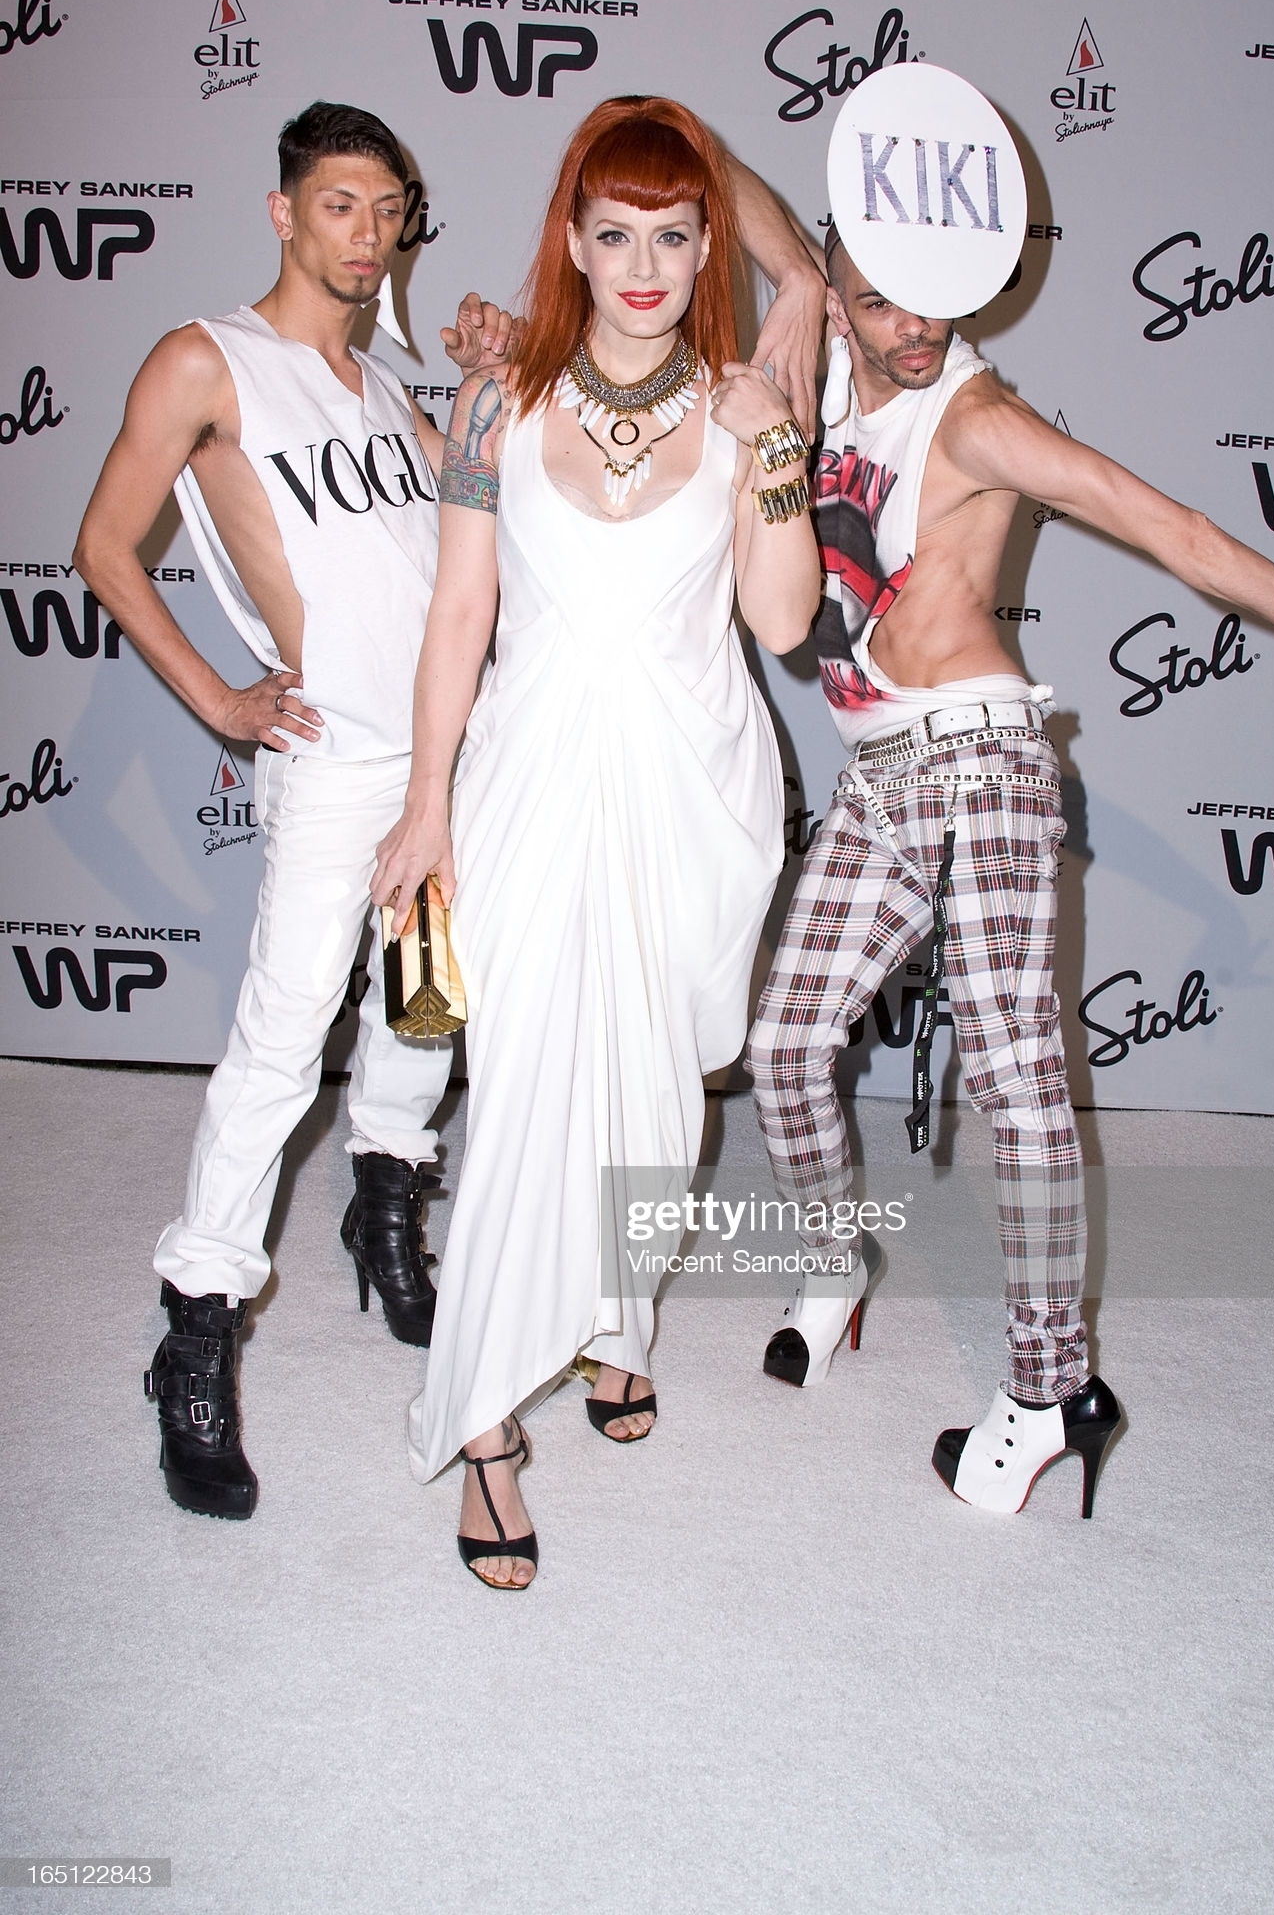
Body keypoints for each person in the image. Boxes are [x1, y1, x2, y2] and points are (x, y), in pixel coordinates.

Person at [73, 96, 824, 1523]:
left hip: (534, 754)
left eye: (387, 210)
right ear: (284, 210)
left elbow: (547, 534)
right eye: (338, 205)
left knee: (438, 1040)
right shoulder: (210, 360)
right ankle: (203, 1325)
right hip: (392, 761)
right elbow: (116, 546)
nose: (367, 234)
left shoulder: (389, 386)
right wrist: (227, 704)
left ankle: (407, 1231)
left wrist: (765, 406)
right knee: (294, 1042)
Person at [745, 221, 1274, 1518]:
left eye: (932, 301)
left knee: (1016, 1083)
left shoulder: (976, 417)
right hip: (880, 778)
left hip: (980, 761)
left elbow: (1169, 526)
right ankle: (833, 1266)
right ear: (838, 291)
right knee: (782, 1049)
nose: (913, 329)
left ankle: (1050, 1395)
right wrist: (797, 284)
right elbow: (749, 202)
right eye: (879, 303)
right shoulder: (819, 377)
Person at [371, 95, 823, 1587]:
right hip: (528, 780)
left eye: (673, 238)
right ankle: (484, 1424)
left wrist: (775, 452)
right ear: (570, 239)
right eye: (615, 234)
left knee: (655, 1096)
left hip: (692, 788)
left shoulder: (742, 410)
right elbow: (458, 614)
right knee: (521, 1095)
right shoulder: (495, 406)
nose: (643, 267)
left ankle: (616, 1320)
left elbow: (781, 621)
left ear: (706, 250)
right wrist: (426, 800)